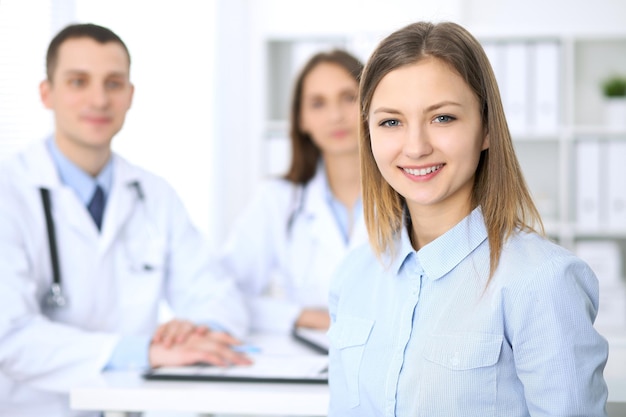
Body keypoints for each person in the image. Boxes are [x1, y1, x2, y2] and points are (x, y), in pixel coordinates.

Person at [327, 21, 609, 416]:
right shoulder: (352, 277)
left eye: (442, 118)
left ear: (487, 128)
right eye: (391, 122)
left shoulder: (542, 282)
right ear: (368, 134)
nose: (416, 146)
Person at [0, 23, 250, 416]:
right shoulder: (9, 193)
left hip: (129, 406)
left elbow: (219, 297)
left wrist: (195, 328)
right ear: (46, 94)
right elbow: (9, 336)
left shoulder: (154, 194)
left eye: (113, 83)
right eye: (78, 81)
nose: (99, 99)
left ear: (130, 95)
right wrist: (144, 351)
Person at [218, 50, 367, 334]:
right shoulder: (277, 201)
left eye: (349, 97)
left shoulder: (408, 195)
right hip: (305, 362)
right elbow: (222, 293)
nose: (335, 116)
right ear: (302, 119)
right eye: (318, 103)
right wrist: (301, 316)